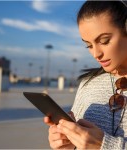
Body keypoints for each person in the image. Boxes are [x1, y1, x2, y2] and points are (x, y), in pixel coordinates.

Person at [44, 1, 127, 149]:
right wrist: (67, 142)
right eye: (88, 45)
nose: (96, 54)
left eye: (104, 41)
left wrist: (105, 145)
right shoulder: (88, 83)